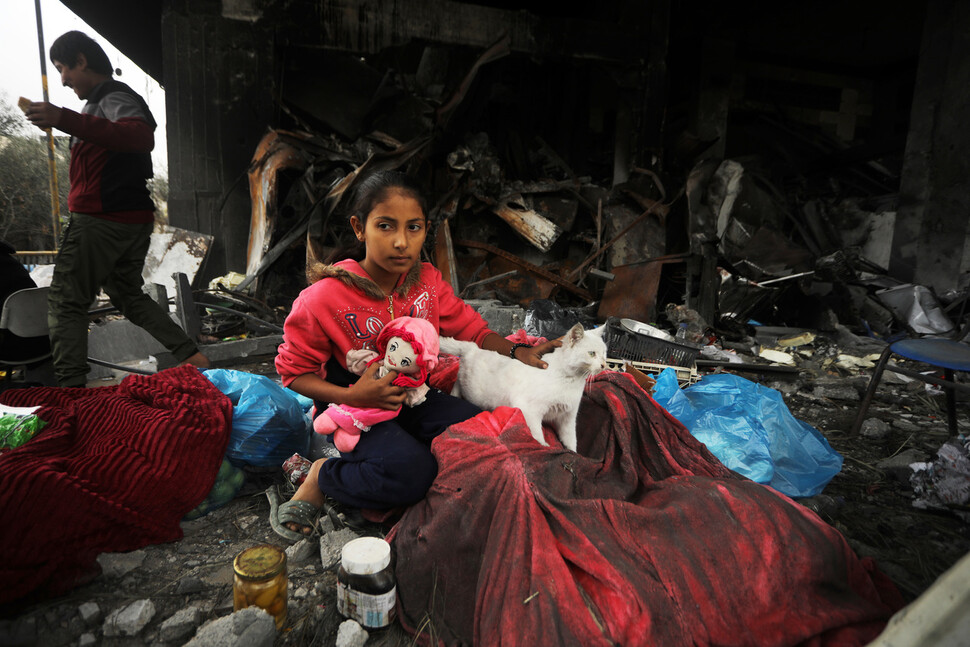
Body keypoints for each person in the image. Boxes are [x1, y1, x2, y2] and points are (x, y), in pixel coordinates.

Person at [272, 170, 559, 537]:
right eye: (386, 226)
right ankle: (323, 475)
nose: (401, 243)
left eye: (414, 228)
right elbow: (294, 374)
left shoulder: (426, 281)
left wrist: (518, 351)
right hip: (355, 410)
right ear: (360, 228)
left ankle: (400, 453)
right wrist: (353, 395)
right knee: (413, 474)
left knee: (486, 433)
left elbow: (472, 328)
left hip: (415, 395)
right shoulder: (321, 299)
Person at [23, 31, 208, 387]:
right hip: (131, 221)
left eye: (64, 68)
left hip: (101, 221)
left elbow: (140, 136)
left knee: (66, 300)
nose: (62, 79)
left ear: (81, 60)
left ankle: (72, 396)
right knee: (127, 294)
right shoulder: (97, 104)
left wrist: (62, 118)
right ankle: (193, 356)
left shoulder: (113, 96)